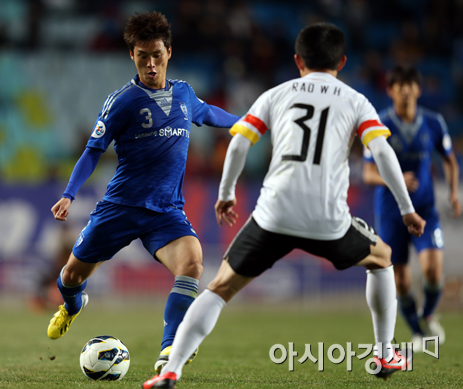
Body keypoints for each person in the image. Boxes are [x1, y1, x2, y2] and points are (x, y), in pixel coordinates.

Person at [142, 23, 426, 389]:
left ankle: (171, 370)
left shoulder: (276, 94)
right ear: (341, 61)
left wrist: (226, 192)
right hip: (328, 219)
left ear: (297, 61)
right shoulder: (355, 100)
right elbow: (382, 153)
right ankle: (385, 352)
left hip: (273, 214)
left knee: (219, 288)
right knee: (382, 258)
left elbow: (241, 143)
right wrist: (406, 208)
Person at [47, 11, 240, 373]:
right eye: (142, 56)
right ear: (131, 56)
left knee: (192, 263)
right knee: (71, 277)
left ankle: (170, 350)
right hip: (120, 208)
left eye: (156, 55)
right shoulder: (123, 101)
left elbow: (207, 113)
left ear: (169, 52)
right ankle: (73, 306)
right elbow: (93, 151)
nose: (150, 64)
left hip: (165, 212)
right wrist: (70, 193)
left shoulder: (183, 93)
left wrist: (246, 123)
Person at [363, 66, 461, 351]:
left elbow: (450, 160)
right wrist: (394, 178)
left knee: (433, 271)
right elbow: (368, 174)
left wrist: (454, 192)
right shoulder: (379, 124)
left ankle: (428, 313)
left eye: (410, 85)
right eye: (399, 85)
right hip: (391, 212)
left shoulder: (433, 122)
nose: (405, 90)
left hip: (426, 209)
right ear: (390, 90)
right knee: (401, 280)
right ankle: (418, 333)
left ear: (418, 90)